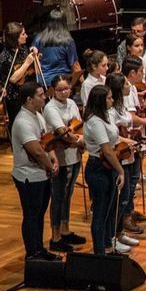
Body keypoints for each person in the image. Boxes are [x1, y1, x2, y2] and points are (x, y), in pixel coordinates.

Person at [11, 82, 58, 261]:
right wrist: (49, 165)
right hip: (28, 176)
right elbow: (36, 150)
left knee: (39, 215)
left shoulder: (37, 115)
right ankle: (32, 253)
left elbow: (46, 140)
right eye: (40, 95)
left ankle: (39, 248)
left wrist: (53, 158)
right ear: (29, 99)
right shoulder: (22, 121)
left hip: (41, 174)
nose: (44, 97)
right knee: (31, 216)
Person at [82, 85, 126, 255]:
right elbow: (106, 149)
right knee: (100, 213)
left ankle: (108, 246)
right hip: (98, 168)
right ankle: (99, 252)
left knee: (109, 211)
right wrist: (121, 171)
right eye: (109, 98)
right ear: (101, 100)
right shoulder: (94, 121)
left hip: (108, 167)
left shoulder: (105, 116)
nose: (112, 100)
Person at [43, 75, 84, 253]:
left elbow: (77, 125)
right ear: (53, 90)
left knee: (68, 194)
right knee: (58, 196)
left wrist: (76, 139)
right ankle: (55, 236)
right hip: (60, 157)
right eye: (60, 89)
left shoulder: (72, 103)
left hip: (74, 155)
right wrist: (79, 140)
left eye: (66, 88)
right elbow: (62, 132)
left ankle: (65, 230)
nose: (64, 92)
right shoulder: (51, 108)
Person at [1, 22, 39, 125]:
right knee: (20, 124)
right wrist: (27, 62)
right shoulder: (5, 56)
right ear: (15, 38)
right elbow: (13, 79)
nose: (26, 36)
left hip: (27, 93)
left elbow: (34, 71)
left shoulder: (23, 50)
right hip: (14, 98)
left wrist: (35, 56)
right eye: (23, 34)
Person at [32, 10, 81, 87]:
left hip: (43, 83)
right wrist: (83, 83)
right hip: (62, 82)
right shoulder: (68, 40)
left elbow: (34, 61)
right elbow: (75, 65)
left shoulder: (37, 38)